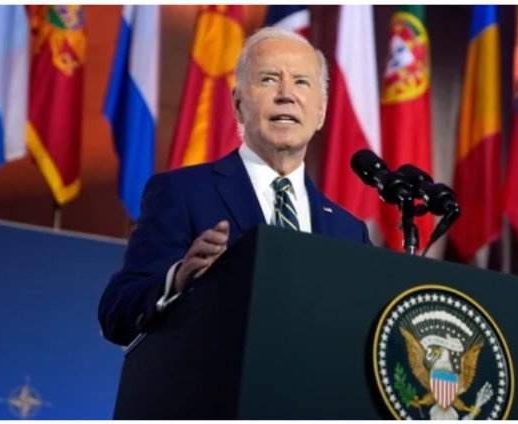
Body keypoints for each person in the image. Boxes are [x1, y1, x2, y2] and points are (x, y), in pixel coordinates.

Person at [98, 27, 371, 346]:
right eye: (269, 79)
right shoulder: (181, 193)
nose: (286, 94)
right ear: (239, 104)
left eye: (301, 82)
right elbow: (116, 313)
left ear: (321, 112)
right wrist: (178, 279)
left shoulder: (349, 232)